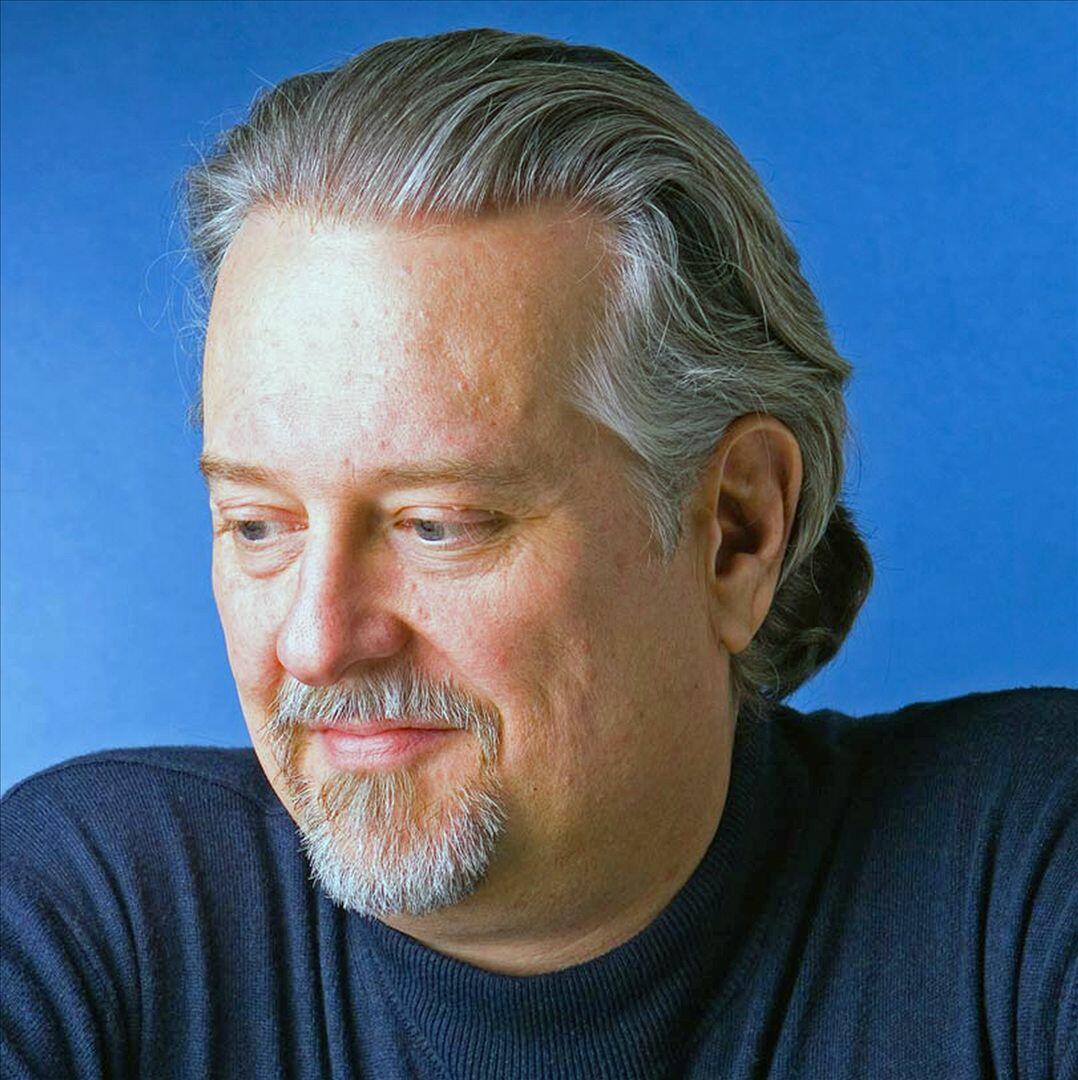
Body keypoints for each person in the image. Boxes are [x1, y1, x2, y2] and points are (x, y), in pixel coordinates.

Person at [1, 28, 1073, 1080]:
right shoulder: (91, 917)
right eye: (258, 525)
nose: (317, 643)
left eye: (439, 524)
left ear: (736, 534)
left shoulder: (1024, 877)